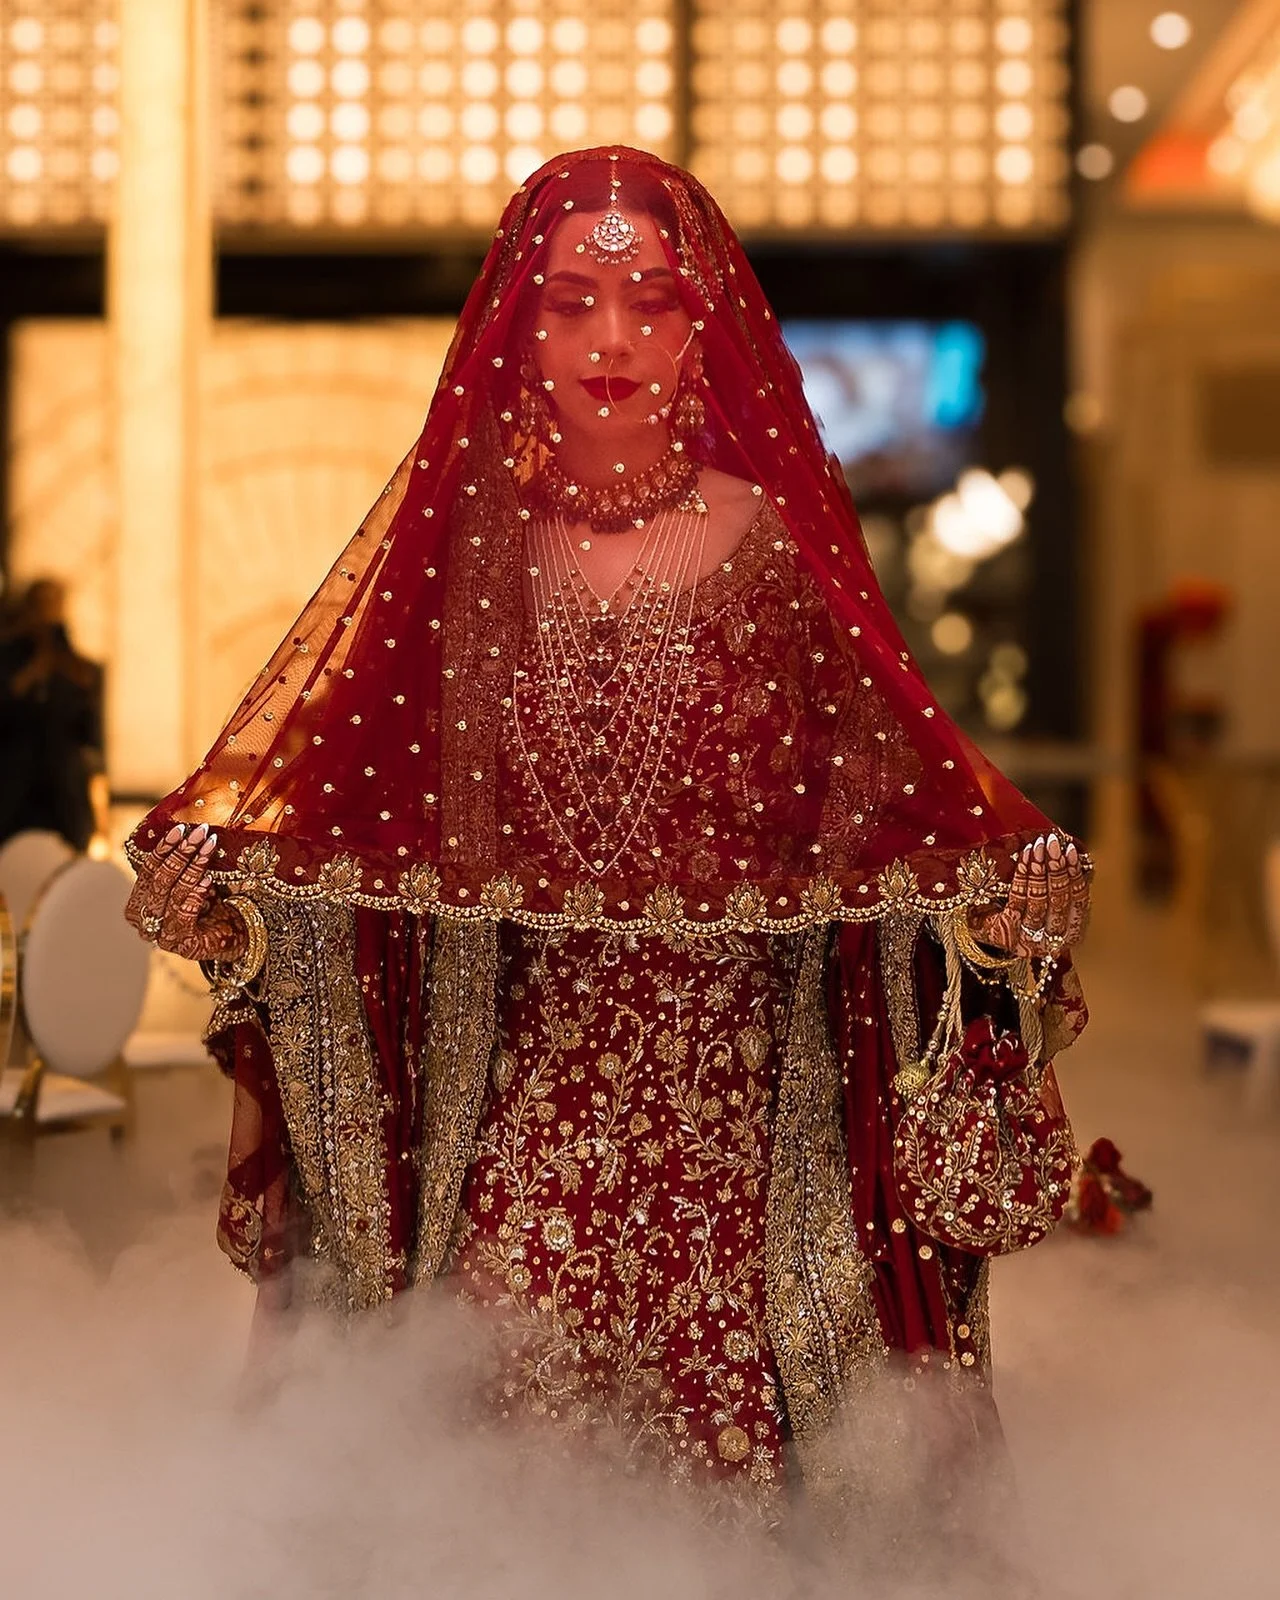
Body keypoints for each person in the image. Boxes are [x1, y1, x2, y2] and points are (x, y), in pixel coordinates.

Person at [124, 149, 1090, 1520]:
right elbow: (370, 848)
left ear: (709, 330)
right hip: (518, 1121)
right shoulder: (462, 567)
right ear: (513, 330)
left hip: (751, 1131)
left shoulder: (778, 551)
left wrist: (985, 931)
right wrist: (230, 921)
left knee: (741, 1485)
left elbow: (880, 829)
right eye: (571, 301)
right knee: (511, 1473)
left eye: (653, 301)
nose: (614, 341)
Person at [0, 576, 107, 853]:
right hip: (15, 789)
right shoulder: (10, 659)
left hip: (64, 788)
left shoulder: (78, 667)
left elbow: (91, 734)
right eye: (41, 603)